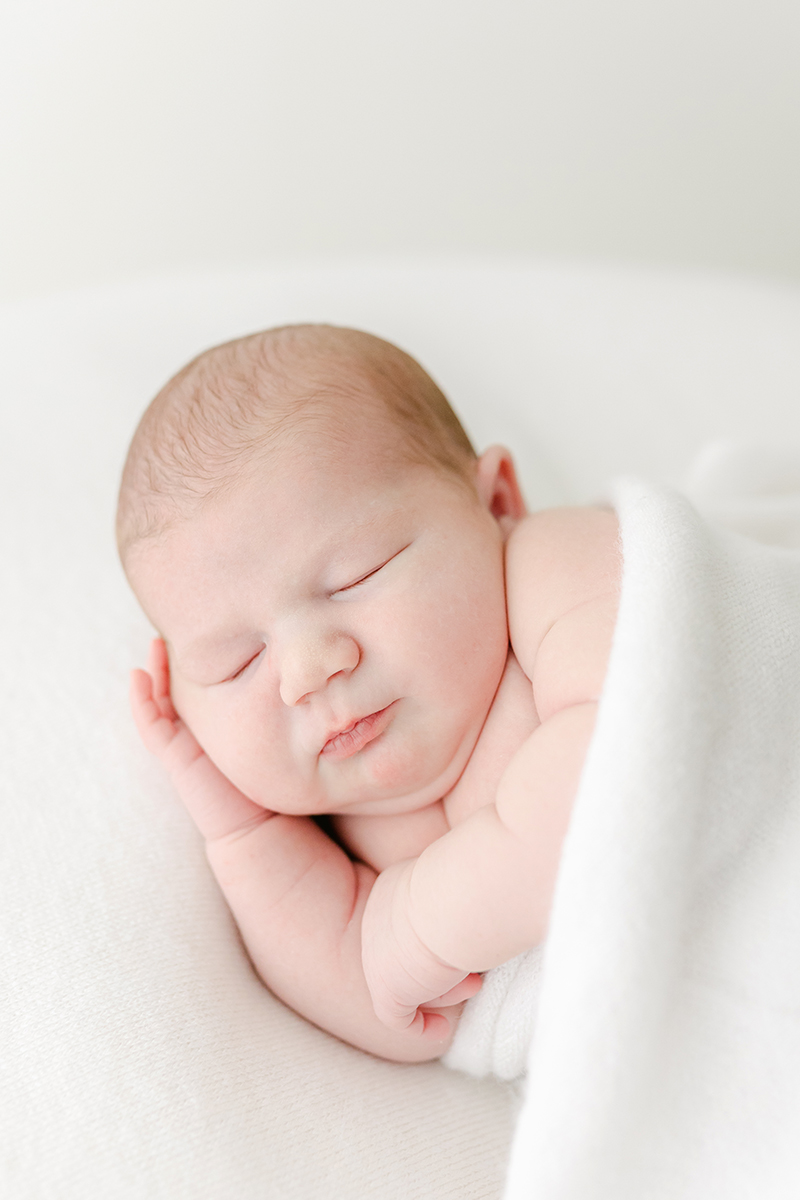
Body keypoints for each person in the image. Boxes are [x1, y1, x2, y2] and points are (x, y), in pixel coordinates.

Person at [117, 324, 620, 1064]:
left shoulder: (554, 568)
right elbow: (387, 1005)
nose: (306, 672)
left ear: (497, 503)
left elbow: (625, 754)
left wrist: (420, 922)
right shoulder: (348, 834)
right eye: (236, 663)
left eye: (355, 577)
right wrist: (242, 830)